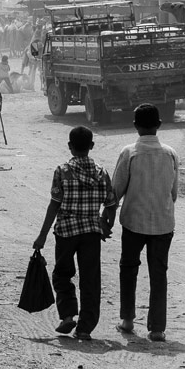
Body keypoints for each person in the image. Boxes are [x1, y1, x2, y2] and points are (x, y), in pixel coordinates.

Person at [33, 126, 118, 340]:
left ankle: (68, 315)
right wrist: (107, 225)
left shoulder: (62, 171)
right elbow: (111, 203)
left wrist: (42, 236)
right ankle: (85, 327)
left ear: (70, 147)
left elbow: (54, 205)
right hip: (91, 233)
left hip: (66, 232)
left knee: (62, 274)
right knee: (90, 279)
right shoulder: (101, 172)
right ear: (91, 146)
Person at [112, 103, 179, 342]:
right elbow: (173, 193)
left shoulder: (129, 152)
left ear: (135, 126)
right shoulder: (170, 153)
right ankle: (157, 328)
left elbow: (116, 191)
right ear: (159, 125)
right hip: (163, 224)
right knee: (158, 274)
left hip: (133, 222)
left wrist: (107, 216)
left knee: (128, 269)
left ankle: (128, 320)